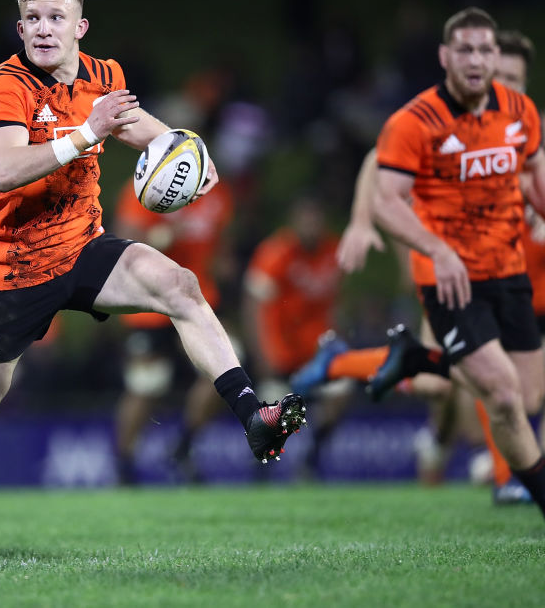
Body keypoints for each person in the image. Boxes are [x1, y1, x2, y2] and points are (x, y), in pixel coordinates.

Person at [0, 0, 306, 568]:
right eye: (32, 19)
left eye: (55, 17)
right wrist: (87, 133)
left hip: (85, 249)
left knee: (181, 286)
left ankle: (254, 418)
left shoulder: (103, 76)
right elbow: (5, 169)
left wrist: (186, 150)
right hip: (18, 269)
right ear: (20, 27)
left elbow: (139, 127)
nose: (42, 28)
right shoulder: (2, 90)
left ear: (80, 25)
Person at [291, 28, 543, 502]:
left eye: (514, 77)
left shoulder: (525, 127)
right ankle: (507, 479)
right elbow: (377, 159)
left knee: (454, 383)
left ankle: (358, 363)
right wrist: (363, 221)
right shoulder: (439, 120)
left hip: (517, 280)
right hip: (455, 276)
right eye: (498, 74)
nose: (502, 84)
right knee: (484, 382)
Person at [369, 7, 545, 521]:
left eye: (485, 49)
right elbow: (387, 201)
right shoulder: (414, 122)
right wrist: (437, 250)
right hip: (449, 279)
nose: (476, 59)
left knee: (530, 396)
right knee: (505, 397)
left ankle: (420, 359)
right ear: (445, 56)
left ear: (496, 56)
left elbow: (536, 178)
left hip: (509, 271)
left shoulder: (519, 110)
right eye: (464, 49)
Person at [110, 175, 235, 484]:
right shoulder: (147, 183)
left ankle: (184, 445)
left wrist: (222, 264)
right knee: (147, 384)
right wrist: (159, 235)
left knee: (226, 371)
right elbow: (122, 237)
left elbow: (221, 244)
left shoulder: (218, 194)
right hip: (148, 302)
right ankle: (123, 466)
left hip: (196, 297)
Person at [241, 195, 343, 477]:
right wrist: (262, 353)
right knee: (273, 414)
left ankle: (311, 459)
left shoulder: (333, 250)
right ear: (293, 221)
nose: (311, 224)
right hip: (281, 350)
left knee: (341, 394)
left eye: (316, 217)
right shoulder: (275, 252)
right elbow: (253, 304)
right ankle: (259, 470)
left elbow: (336, 300)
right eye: (305, 218)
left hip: (315, 351)